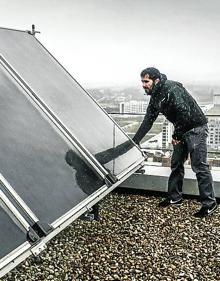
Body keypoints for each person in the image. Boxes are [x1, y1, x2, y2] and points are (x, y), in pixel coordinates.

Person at [132, 67, 217, 218]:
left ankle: (209, 204)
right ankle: (175, 198)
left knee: (199, 166)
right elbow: (148, 121)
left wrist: (176, 135)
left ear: (156, 80)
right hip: (182, 129)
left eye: (146, 81)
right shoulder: (155, 97)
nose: (143, 85)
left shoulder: (171, 88)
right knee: (176, 163)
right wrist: (135, 140)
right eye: (142, 82)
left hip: (196, 129)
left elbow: (184, 111)